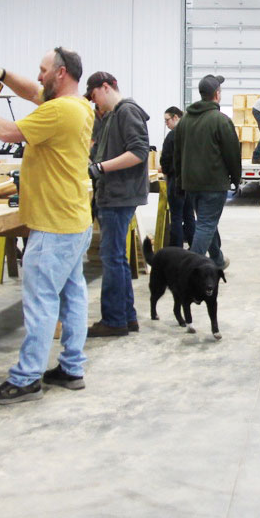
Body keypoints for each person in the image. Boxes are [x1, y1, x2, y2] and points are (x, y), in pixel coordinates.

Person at [0, 49, 94, 404]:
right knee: (72, 297)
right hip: (73, 219)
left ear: (61, 73)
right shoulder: (79, 105)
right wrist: (3, 74)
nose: (38, 76)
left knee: (41, 302)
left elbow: (7, 132)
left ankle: (27, 377)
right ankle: (72, 368)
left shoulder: (58, 110)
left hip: (53, 226)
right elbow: (31, 92)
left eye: (42, 70)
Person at [84, 72, 150, 338]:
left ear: (105, 87)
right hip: (114, 194)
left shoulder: (127, 111)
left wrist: (100, 168)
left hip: (119, 195)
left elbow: (139, 151)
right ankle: (126, 317)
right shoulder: (111, 116)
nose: (94, 102)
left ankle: (114, 320)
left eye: (94, 96)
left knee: (112, 258)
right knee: (116, 258)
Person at [177, 74, 242, 270]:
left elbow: (177, 153)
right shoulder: (220, 120)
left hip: (191, 184)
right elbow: (232, 153)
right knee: (206, 224)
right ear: (217, 94)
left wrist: (181, 180)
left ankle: (217, 260)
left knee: (207, 222)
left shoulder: (185, 120)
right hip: (213, 183)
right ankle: (189, 269)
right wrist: (236, 178)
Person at [159, 107, 195, 249]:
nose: (166, 124)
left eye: (167, 120)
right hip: (190, 181)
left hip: (175, 181)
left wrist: (166, 171)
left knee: (176, 218)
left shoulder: (172, 136)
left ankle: (177, 250)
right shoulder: (192, 133)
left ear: (175, 117)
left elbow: (165, 160)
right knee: (189, 216)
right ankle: (195, 249)